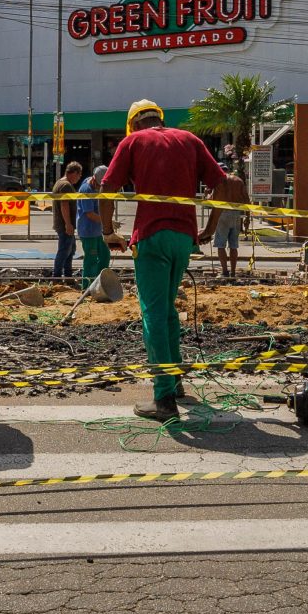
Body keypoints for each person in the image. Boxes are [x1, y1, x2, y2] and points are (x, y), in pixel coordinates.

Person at [99, 99, 228, 422]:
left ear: (133, 124)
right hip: (184, 238)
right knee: (168, 309)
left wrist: (107, 233)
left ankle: (164, 398)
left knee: (153, 314)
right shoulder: (190, 140)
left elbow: (107, 187)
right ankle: (176, 380)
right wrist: (209, 228)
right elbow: (223, 185)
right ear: (160, 118)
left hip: (152, 236)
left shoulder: (133, 142)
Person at [203, 159, 250, 280]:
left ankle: (225, 271)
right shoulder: (238, 181)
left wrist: (206, 193)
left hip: (222, 214)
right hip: (236, 214)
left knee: (220, 245)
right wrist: (247, 217)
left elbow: (211, 200)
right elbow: (246, 199)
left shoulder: (219, 181)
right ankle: (233, 272)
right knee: (234, 245)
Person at [75, 164, 114, 295]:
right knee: (91, 259)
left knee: (104, 256)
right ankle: (87, 287)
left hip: (99, 230)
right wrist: (107, 220)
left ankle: (100, 284)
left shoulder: (98, 186)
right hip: (88, 231)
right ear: (94, 180)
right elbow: (90, 214)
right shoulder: (86, 189)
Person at [49, 159, 84, 281]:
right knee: (64, 251)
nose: (79, 178)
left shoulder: (60, 183)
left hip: (64, 224)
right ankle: (57, 277)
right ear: (74, 173)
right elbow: (64, 205)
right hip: (64, 224)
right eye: (79, 175)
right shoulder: (66, 185)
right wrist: (68, 224)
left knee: (70, 250)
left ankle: (68, 275)